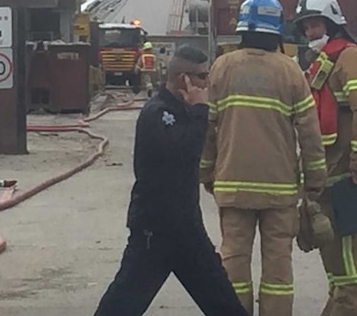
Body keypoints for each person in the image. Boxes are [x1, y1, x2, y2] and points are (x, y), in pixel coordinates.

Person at [93, 45, 249, 316]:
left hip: (187, 230)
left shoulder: (184, 111)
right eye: (202, 77)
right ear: (183, 79)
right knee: (122, 304)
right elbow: (183, 152)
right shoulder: (158, 113)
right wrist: (201, 112)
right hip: (155, 231)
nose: (207, 83)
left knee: (223, 302)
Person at [200, 0, 326, 316]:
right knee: (278, 270)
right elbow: (310, 133)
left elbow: (206, 128)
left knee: (233, 264)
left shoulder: (221, 68)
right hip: (280, 192)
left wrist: (207, 173)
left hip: (232, 186)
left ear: (243, 30)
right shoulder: (291, 72)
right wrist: (315, 180)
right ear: (277, 32)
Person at [293, 0, 357, 316]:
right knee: (335, 266)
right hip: (328, 178)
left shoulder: (350, 58)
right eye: (304, 26)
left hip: (348, 178)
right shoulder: (323, 62)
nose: (308, 32)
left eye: (314, 24)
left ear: (331, 23)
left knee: (348, 266)